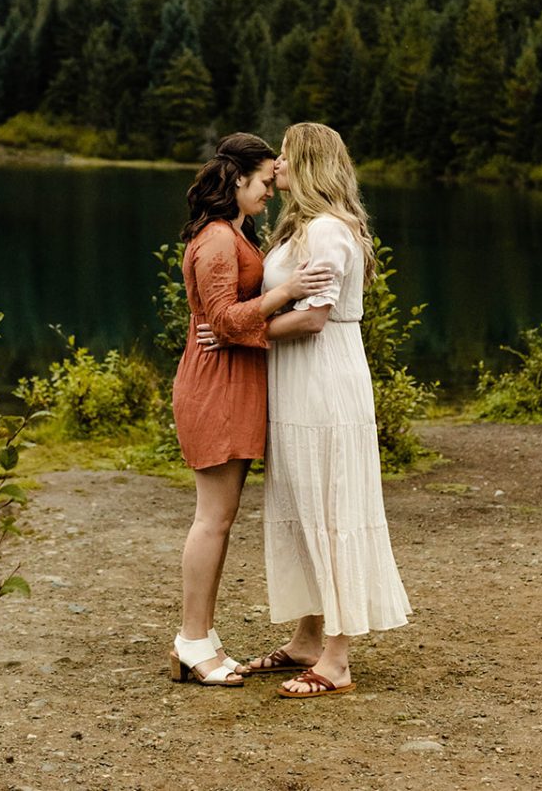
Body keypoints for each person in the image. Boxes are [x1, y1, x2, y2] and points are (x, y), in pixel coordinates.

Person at [205, 121, 411, 697]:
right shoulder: (299, 229)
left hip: (324, 380)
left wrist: (238, 335)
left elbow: (315, 318)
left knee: (331, 505)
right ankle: (306, 638)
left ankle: (337, 660)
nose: (277, 167)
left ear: (312, 164)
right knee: (301, 505)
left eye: (288, 157)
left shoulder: (328, 231)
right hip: (295, 382)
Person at [170, 132, 332, 688]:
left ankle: (203, 637)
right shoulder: (217, 239)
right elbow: (224, 320)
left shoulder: (234, 233)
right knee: (212, 518)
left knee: (221, 517)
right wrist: (288, 293)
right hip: (215, 386)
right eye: (265, 181)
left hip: (231, 382)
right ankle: (192, 640)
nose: (270, 191)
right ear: (237, 179)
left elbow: (232, 322)